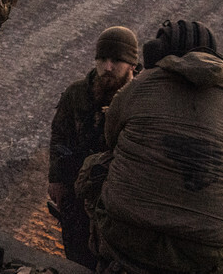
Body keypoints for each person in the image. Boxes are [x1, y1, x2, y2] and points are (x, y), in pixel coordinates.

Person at [92, 19, 223, 274]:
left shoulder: (137, 87)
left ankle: (103, 256)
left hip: (126, 242)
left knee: (97, 166)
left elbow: (111, 139)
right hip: (201, 258)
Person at [48, 25, 139, 269]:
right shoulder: (76, 93)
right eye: (102, 59)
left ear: (132, 65)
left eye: (116, 61)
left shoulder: (140, 99)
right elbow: (60, 135)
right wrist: (56, 179)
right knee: (77, 258)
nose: (107, 67)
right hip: (77, 192)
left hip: (117, 198)